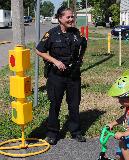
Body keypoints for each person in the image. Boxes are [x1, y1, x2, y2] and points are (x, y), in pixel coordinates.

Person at [36, 6, 87, 145]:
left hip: (73, 76)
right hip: (56, 76)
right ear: (60, 18)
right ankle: (52, 133)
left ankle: (76, 132)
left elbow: (84, 44)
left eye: (72, 17)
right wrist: (55, 61)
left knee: (74, 104)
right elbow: (39, 50)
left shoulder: (77, 33)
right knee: (55, 104)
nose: (71, 19)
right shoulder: (51, 34)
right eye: (68, 17)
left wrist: (80, 59)